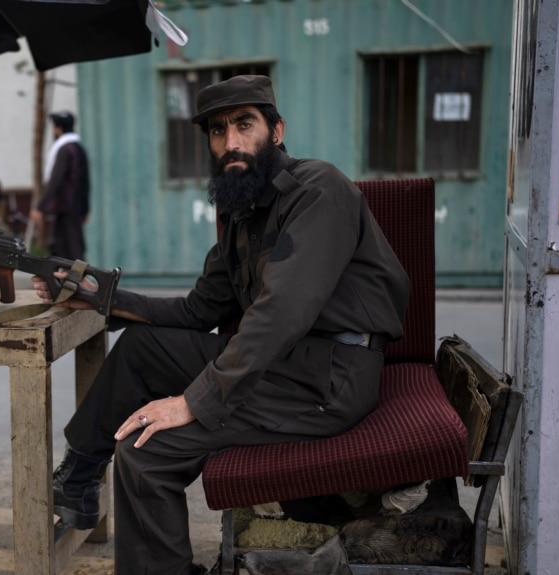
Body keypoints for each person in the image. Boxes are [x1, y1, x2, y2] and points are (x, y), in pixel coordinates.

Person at [32, 75, 410, 574]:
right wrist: (101, 297)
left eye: (244, 125)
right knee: (145, 346)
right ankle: (79, 476)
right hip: (287, 365)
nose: (230, 142)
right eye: (217, 130)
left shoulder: (318, 190)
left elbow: (281, 313)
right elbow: (197, 311)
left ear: (276, 131)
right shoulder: (242, 212)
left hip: (328, 378)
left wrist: (192, 402)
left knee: (147, 451)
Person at [31, 110, 90, 261]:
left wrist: (40, 206)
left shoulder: (65, 149)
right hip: (73, 206)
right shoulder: (79, 148)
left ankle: (78, 280)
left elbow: (55, 179)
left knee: (70, 247)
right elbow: (85, 181)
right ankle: (64, 280)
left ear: (58, 128)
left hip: (65, 206)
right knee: (60, 245)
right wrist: (85, 208)